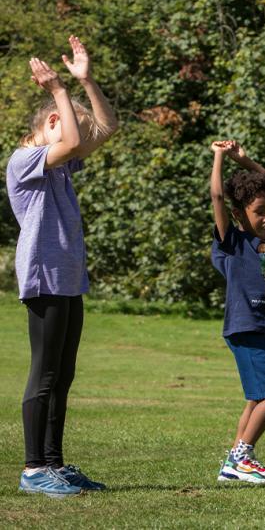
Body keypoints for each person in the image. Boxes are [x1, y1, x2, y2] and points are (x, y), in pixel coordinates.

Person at [6, 36, 118, 497]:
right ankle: (34, 468)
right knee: (44, 372)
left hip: (69, 279)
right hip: (44, 278)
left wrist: (85, 81)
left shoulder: (60, 167)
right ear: (52, 121)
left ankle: (54, 463)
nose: (80, 149)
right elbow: (73, 139)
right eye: (69, 130)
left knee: (63, 374)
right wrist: (57, 89)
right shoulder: (24, 161)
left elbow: (106, 129)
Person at [209, 140, 265, 485]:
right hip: (246, 327)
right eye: (259, 211)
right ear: (241, 214)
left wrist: (245, 160)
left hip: (261, 327)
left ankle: (232, 463)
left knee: (258, 396)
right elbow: (216, 198)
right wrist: (219, 158)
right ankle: (243, 456)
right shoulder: (234, 241)